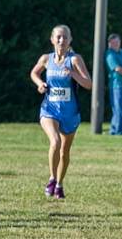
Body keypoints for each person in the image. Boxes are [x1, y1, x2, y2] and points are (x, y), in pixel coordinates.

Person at [29, 24, 92, 200]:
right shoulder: (46, 59)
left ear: (70, 40)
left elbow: (89, 84)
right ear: (52, 39)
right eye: (58, 37)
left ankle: (59, 184)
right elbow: (34, 73)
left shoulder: (75, 60)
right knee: (55, 141)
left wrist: (73, 74)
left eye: (65, 37)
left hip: (70, 113)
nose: (61, 40)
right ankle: (51, 178)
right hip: (49, 109)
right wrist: (40, 84)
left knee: (64, 151)